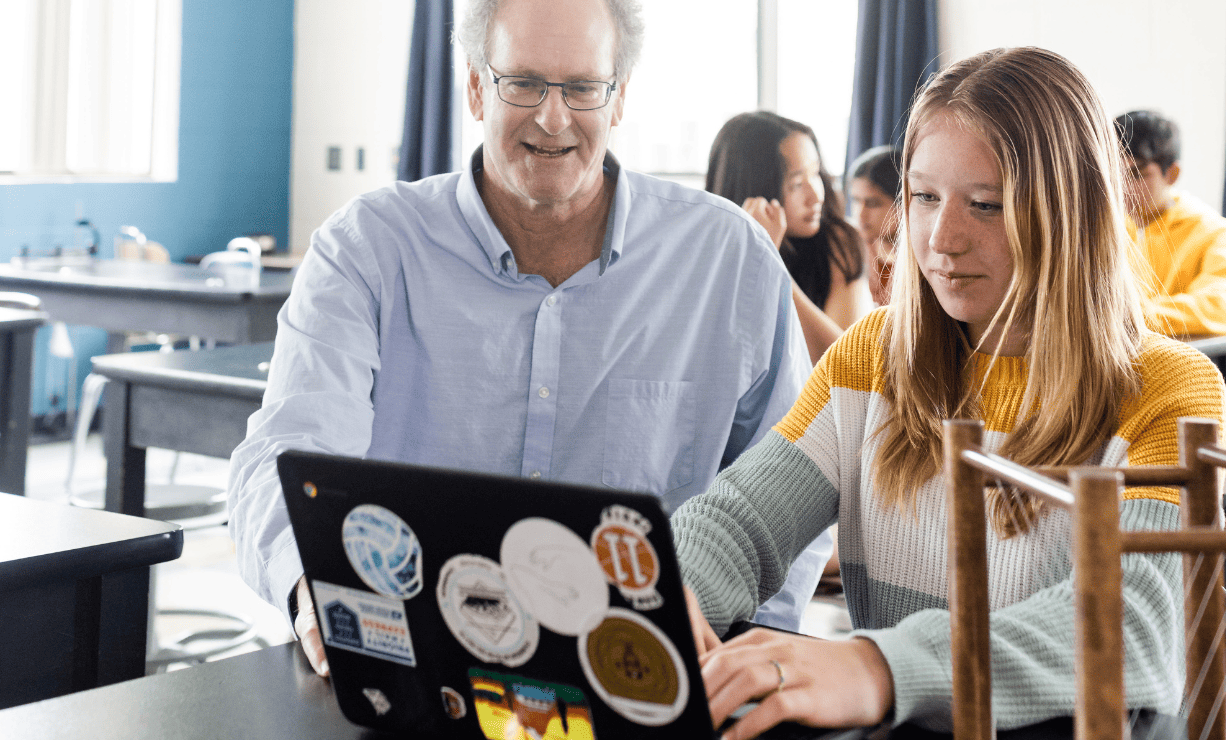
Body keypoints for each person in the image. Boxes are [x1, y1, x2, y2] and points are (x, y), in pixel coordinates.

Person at [226, 0, 830, 678]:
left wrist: (751, 655)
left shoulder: (729, 259)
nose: (552, 117)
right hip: (414, 658)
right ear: (476, 86)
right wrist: (310, 584)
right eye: (524, 83)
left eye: (583, 87)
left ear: (619, 97)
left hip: (640, 674)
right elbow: (285, 452)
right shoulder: (365, 248)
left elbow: (795, 483)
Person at [672, 47, 1226, 736]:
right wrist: (669, 595)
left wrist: (879, 667)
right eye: (924, 197)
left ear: (1072, 213)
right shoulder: (871, 356)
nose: (942, 239)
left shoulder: (1170, 389)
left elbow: (1132, 624)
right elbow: (738, 522)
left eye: (986, 205)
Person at [706, 112, 872, 363]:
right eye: (796, 184)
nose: (816, 196)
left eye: (815, 173)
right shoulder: (712, 245)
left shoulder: (839, 241)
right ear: (756, 191)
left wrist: (769, 259)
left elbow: (848, 365)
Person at [1114, 110, 1226, 337]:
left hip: (1177, 357)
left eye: (1137, 174)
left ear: (1172, 174)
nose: (1121, 187)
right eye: (1113, 173)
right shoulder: (1102, 230)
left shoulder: (1213, 233)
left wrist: (1133, 318)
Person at [847, 145, 902, 305]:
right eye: (856, 200)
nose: (860, 214)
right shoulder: (851, 245)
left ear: (902, 203)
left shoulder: (924, 258)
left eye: (873, 203)